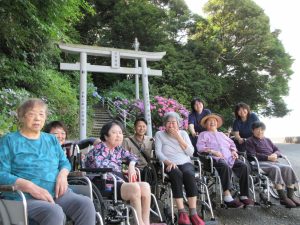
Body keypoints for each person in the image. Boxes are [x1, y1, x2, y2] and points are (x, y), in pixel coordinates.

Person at [0, 98, 96, 225]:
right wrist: (30, 187)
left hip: (57, 194)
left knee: (85, 204)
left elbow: (64, 162)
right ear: (22, 117)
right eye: (32, 114)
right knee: (53, 211)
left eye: (41, 114)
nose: (37, 118)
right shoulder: (9, 140)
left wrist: (63, 174)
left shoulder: (51, 140)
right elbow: (2, 173)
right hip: (24, 197)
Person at [85, 120, 154, 225]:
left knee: (145, 186)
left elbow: (133, 157)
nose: (119, 135)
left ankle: (146, 222)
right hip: (103, 183)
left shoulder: (117, 149)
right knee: (134, 188)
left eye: (120, 133)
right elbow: (102, 170)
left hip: (118, 181)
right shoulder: (98, 150)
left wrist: (131, 166)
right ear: (106, 136)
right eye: (114, 133)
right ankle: (139, 223)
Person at [155, 112, 205, 225]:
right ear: (164, 124)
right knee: (176, 174)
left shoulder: (183, 133)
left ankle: (193, 213)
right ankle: (182, 212)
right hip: (170, 163)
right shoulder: (159, 134)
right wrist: (168, 162)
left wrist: (178, 137)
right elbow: (158, 152)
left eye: (174, 123)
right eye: (168, 122)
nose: (171, 125)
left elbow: (191, 152)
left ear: (178, 124)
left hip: (185, 162)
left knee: (189, 174)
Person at [197, 113, 254, 208]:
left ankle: (244, 195)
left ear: (217, 123)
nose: (212, 122)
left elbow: (232, 144)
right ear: (206, 124)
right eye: (210, 121)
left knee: (243, 166)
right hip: (214, 159)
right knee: (224, 166)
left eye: (214, 121)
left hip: (229, 157)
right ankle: (227, 196)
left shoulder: (222, 134)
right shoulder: (203, 134)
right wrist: (212, 151)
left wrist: (234, 151)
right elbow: (200, 148)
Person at [245, 121, 300, 208]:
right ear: (253, 130)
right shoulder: (249, 141)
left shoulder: (267, 140)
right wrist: (267, 157)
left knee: (287, 168)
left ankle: (290, 196)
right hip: (259, 163)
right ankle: (283, 198)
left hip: (272, 161)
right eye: (257, 130)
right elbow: (252, 154)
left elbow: (277, 150)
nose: (260, 131)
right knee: (275, 168)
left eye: (262, 130)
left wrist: (275, 154)